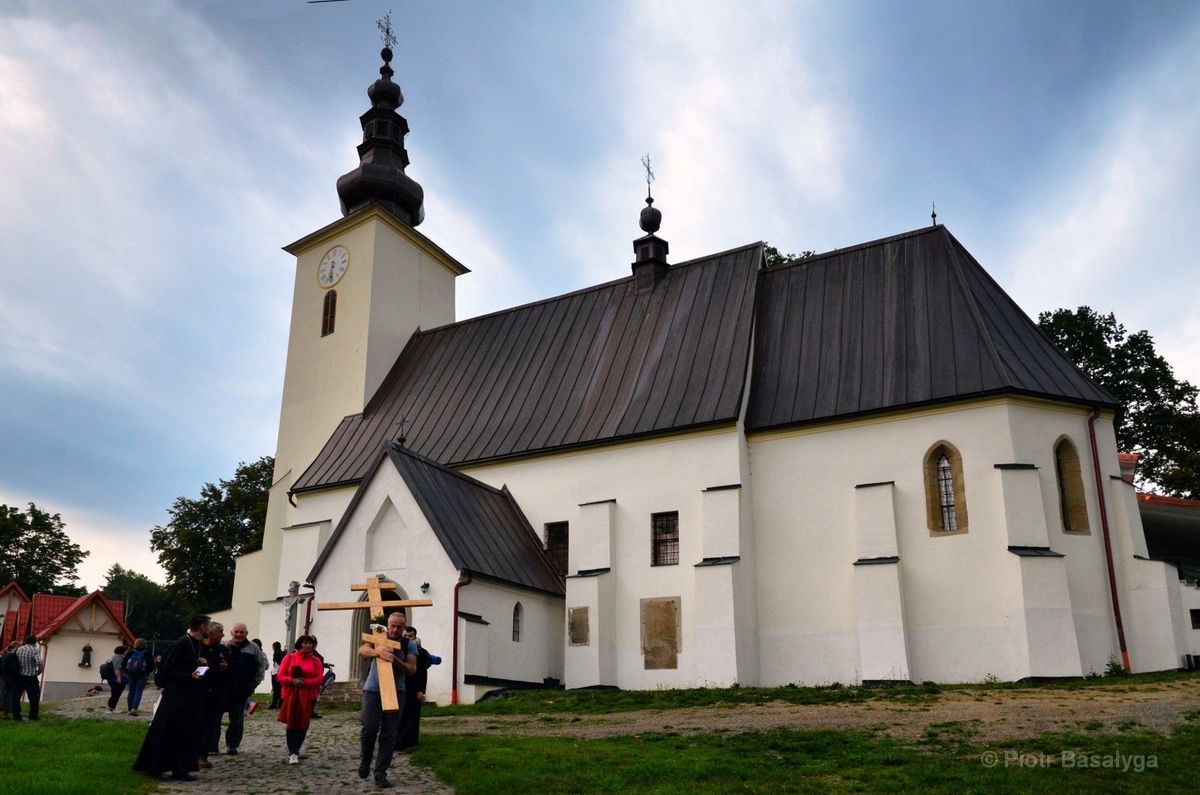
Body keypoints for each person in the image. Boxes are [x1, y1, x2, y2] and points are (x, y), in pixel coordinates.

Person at [134, 614, 210, 781]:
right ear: (201, 627)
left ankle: (180, 768)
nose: (209, 629)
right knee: (171, 732)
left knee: (184, 733)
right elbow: (168, 670)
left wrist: (201, 664)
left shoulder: (196, 644)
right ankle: (162, 767)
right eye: (208, 626)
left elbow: (188, 666)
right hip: (176, 697)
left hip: (188, 696)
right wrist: (189, 675)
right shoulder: (181, 644)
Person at [358, 611, 416, 789]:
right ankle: (366, 759)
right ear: (387, 625)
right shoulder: (377, 635)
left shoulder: (409, 644)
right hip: (373, 690)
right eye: (393, 626)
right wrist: (379, 652)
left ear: (404, 627)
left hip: (397, 691)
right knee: (369, 728)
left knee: (389, 734)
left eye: (400, 627)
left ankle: (380, 773)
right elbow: (362, 650)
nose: (395, 630)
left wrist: (395, 659)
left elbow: (411, 669)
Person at [277, 635, 323, 764]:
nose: (307, 645)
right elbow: (280, 676)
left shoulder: (316, 661)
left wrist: (305, 682)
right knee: (292, 722)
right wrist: (292, 680)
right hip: (292, 694)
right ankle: (292, 751)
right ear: (300, 644)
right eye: (305, 643)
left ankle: (296, 749)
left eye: (310, 643)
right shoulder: (290, 657)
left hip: (308, 695)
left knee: (303, 723)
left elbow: (319, 679)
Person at [223, 622, 268, 754]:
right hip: (223, 688)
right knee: (214, 718)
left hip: (241, 689)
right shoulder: (224, 646)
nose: (239, 635)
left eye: (242, 632)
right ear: (231, 632)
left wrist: (255, 683)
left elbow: (261, 665)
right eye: (236, 632)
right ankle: (211, 746)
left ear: (246, 633)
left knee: (236, 719)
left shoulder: (253, 648)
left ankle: (232, 745)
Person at [394, 625, 433, 752]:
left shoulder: (420, 652)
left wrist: (421, 690)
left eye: (409, 636)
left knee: (412, 716)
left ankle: (409, 742)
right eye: (405, 636)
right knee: (400, 716)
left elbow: (422, 673)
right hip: (401, 686)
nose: (407, 638)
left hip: (414, 687)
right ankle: (398, 742)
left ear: (414, 636)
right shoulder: (398, 648)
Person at [197, 622, 230, 768]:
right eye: (220, 632)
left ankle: (203, 755)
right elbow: (194, 671)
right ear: (211, 633)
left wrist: (226, 666)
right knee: (197, 725)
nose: (223, 634)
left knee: (210, 726)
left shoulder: (221, 649)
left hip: (215, 693)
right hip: (199, 693)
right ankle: (193, 755)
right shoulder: (198, 648)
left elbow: (230, 664)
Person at [13, 635, 43, 721]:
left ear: (25, 641)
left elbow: (15, 660)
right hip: (31, 677)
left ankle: (16, 715)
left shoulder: (19, 649)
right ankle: (33, 717)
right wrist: (39, 671)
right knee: (33, 698)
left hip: (19, 676)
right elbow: (39, 662)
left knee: (16, 697)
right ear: (35, 642)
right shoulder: (35, 650)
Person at [124, 638, 155, 715]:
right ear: (144, 644)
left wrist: (128, 672)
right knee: (138, 691)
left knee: (131, 692)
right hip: (142, 676)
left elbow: (124, 664)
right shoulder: (147, 653)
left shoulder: (130, 652)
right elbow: (151, 665)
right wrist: (147, 672)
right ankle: (134, 708)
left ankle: (129, 708)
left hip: (131, 675)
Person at [104, 644, 128, 713]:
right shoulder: (118, 657)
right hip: (116, 679)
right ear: (122, 651)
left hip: (114, 678)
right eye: (126, 650)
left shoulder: (117, 657)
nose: (127, 652)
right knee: (116, 693)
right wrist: (119, 678)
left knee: (115, 693)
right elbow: (116, 668)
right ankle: (110, 708)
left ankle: (112, 708)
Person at [0, 641, 19, 718]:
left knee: (4, 695)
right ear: (12, 648)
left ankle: (5, 713)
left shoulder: (4, 656)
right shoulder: (11, 656)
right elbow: (13, 669)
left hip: (4, 678)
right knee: (7, 696)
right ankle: (5, 713)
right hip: (8, 679)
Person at [269, 641, 284, 709]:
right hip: (277, 672)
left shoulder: (277, 654)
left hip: (276, 673)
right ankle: (279, 704)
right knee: (279, 689)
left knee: (276, 689)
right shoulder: (281, 653)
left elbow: (278, 664)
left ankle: (275, 704)